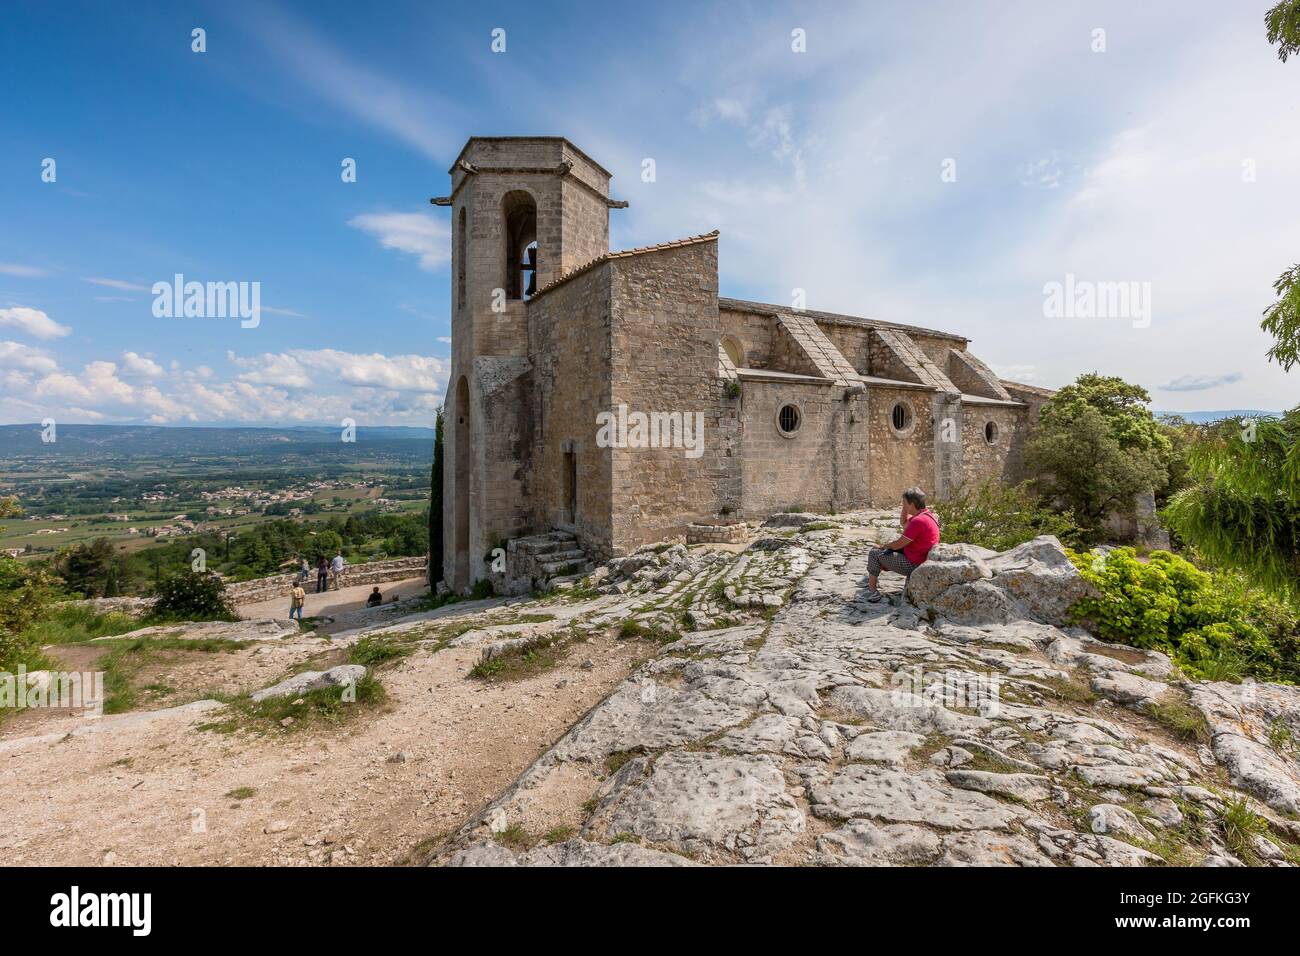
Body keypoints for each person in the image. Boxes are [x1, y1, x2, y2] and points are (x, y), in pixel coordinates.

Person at [865, 486, 940, 602]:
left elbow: (898, 544)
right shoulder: (927, 516)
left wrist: (884, 546)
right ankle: (873, 579)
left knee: (874, 553)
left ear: (912, 503)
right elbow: (904, 523)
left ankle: (872, 591)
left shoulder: (918, 521)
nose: (902, 504)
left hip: (914, 565)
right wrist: (905, 507)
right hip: (920, 558)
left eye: (904, 502)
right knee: (883, 551)